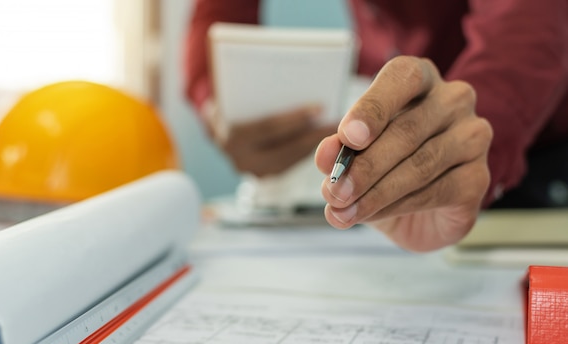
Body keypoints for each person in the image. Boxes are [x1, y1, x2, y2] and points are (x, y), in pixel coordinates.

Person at [182, 0, 568, 252]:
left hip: (536, 157)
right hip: (388, 193)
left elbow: (526, 27)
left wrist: (468, 142)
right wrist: (219, 107)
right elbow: (217, 13)